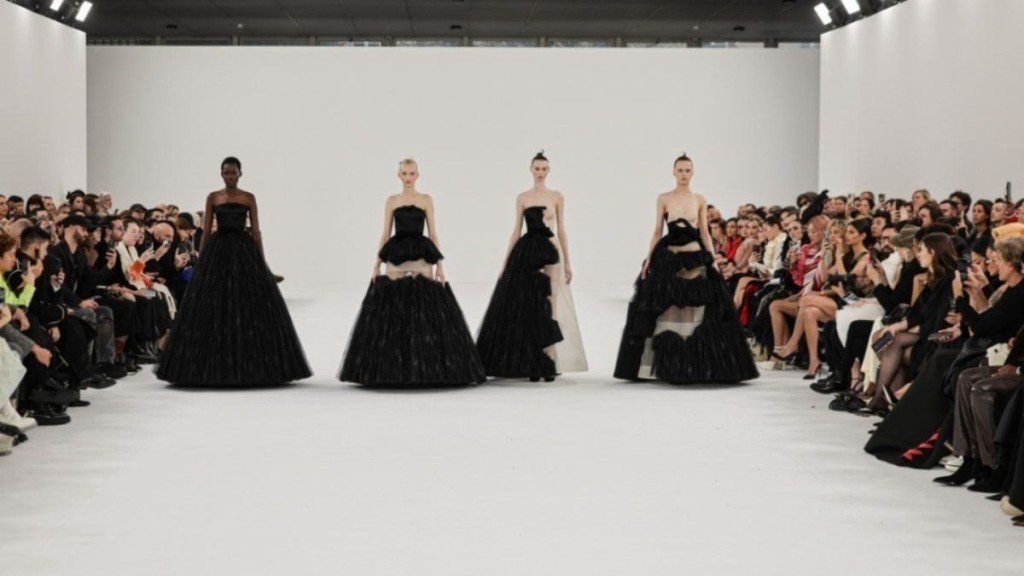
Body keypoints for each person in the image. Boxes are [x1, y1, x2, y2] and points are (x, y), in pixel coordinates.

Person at [155, 157, 310, 387]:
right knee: (216, 303)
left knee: (246, 303)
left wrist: (262, 263)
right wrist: (201, 260)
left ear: (240, 173)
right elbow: (205, 233)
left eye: (233, 172)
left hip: (244, 250)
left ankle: (252, 365)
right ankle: (211, 365)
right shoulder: (213, 197)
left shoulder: (248, 198)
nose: (230, 176)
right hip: (218, 250)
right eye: (226, 172)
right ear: (221, 174)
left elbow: (256, 232)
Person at [339, 158, 485, 388]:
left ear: (418, 175)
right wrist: (376, 264)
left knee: (426, 307)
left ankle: (429, 368)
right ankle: (392, 369)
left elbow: (434, 234)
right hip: (396, 254)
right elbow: (385, 234)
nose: (408, 177)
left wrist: (440, 266)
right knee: (392, 308)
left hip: (421, 254)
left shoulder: (426, 200)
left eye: (411, 173)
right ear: (399, 175)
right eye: (404, 173)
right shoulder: (392, 201)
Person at [614, 153, 758, 384]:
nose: (683, 174)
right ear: (674, 172)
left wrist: (712, 261)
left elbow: (705, 233)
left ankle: (694, 364)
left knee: (695, 308)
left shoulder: (699, 199)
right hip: (669, 258)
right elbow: (657, 231)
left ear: (693, 172)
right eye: (680, 170)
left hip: (695, 256)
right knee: (668, 306)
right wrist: (649, 259)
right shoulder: (664, 198)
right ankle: (663, 363)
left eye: (687, 170)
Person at [476, 151, 588, 381]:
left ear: (549, 170)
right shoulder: (523, 198)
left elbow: (562, 229)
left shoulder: (556, 196)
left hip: (551, 249)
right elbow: (516, 230)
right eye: (537, 168)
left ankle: (550, 361)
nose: (540, 172)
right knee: (530, 302)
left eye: (544, 169)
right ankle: (533, 361)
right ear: (531, 170)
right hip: (528, 251)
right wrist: (506, 261)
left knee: (551, 302)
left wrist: (568, 261)